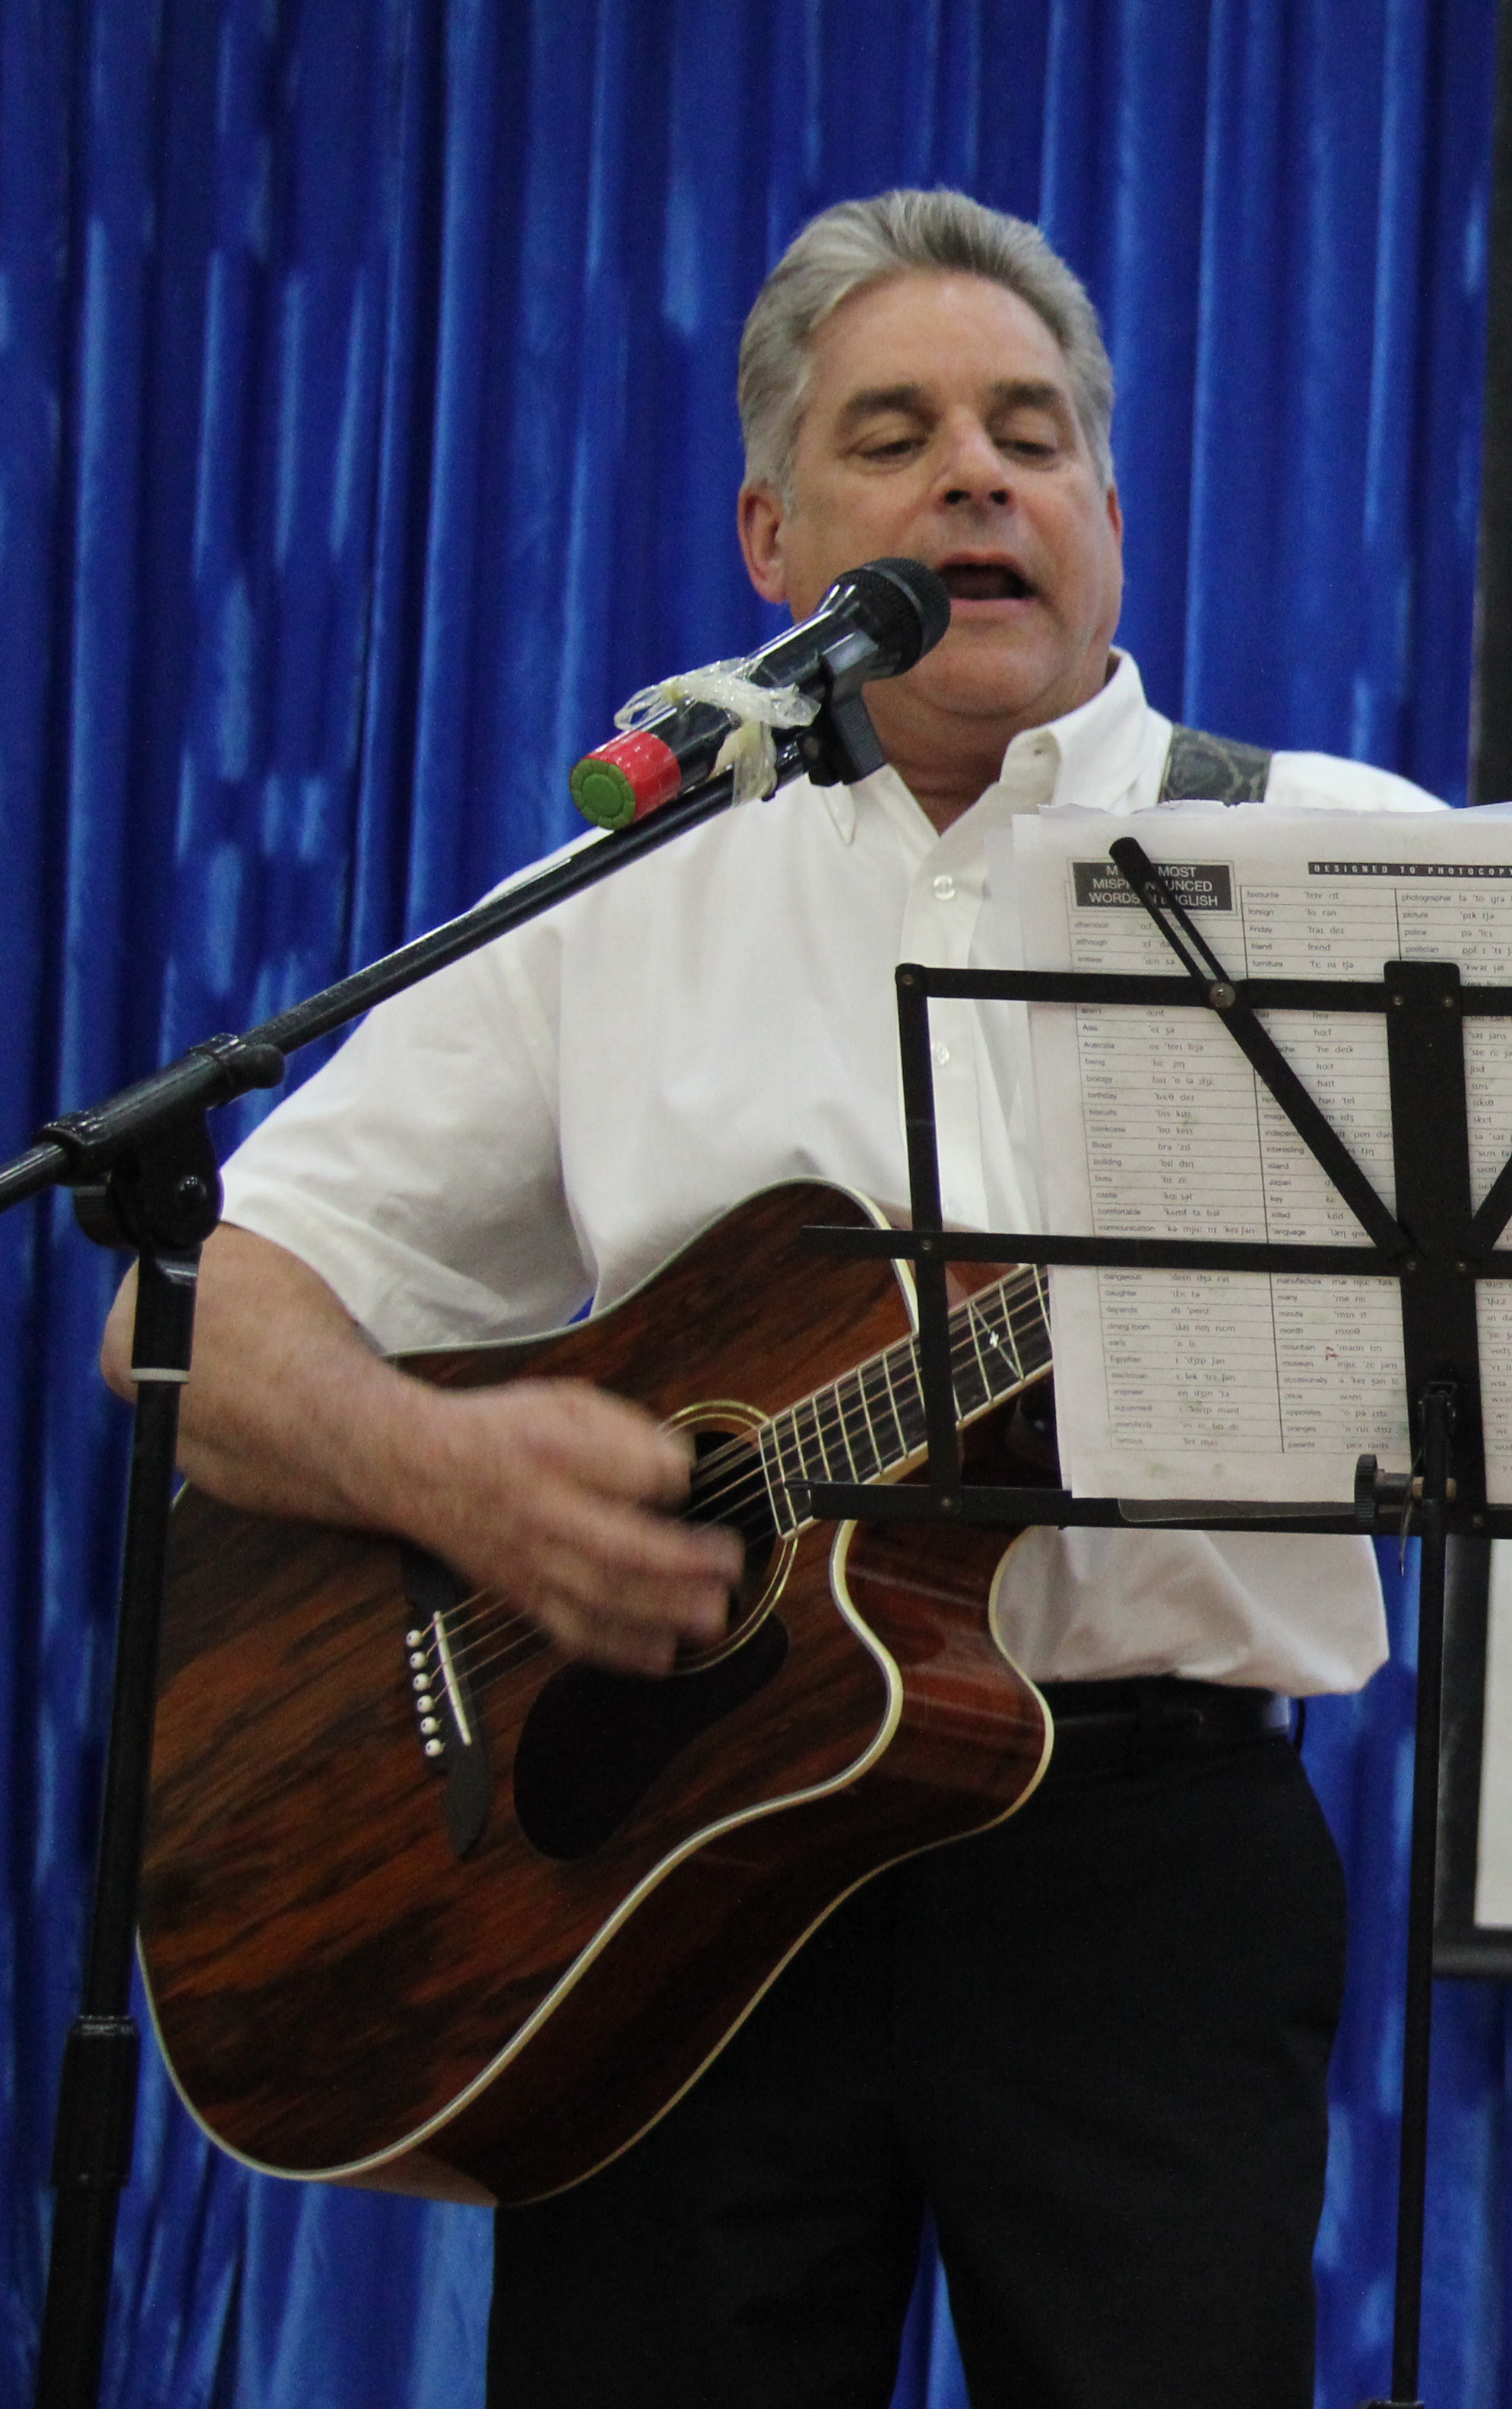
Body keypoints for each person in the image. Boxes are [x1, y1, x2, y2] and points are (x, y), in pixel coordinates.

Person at [109, 189, 1435, 2405]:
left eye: (1030, 434)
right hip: (669, 1859)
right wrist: (454, 1474)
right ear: (771, 538)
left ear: (1112, 515)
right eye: (893, 437)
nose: (975, 479)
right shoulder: (622, 896)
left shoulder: (1339, 861)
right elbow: (191, 1315)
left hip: (1136, 1880)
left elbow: (1490, 1357)